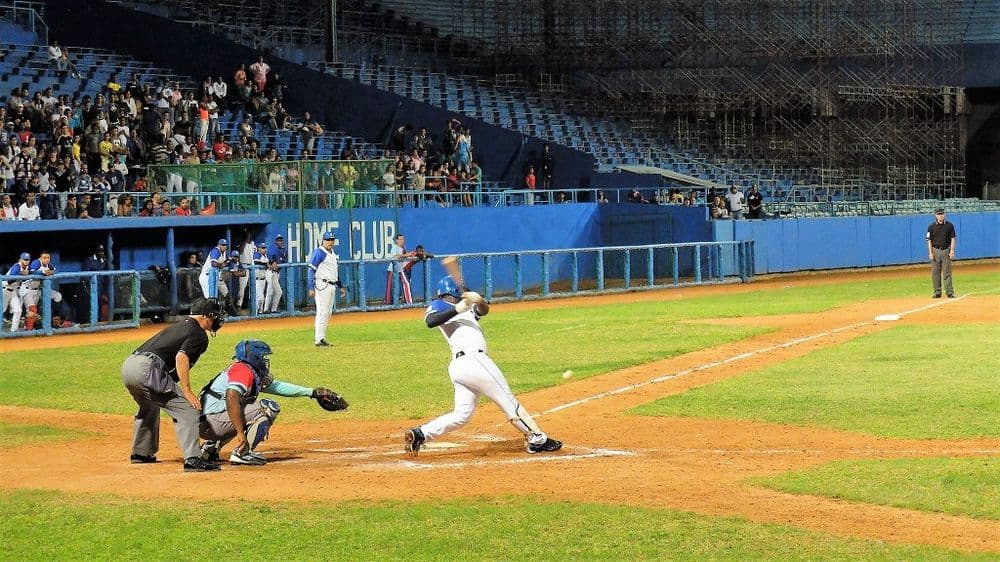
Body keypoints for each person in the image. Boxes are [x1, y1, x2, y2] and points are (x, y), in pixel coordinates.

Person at [404, 276, 563, 456]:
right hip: (474, 362)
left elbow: (483, 311)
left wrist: (479, 301)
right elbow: (430, 321)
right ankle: (537, 438)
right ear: (453, 293)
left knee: (462, 415)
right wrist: (458, 307)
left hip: (464, 367)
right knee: (507, 400)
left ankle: (420, 434)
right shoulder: (441, 305)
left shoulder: (467, 312)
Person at [198, 340, 348, 465]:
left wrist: (313, 393)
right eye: (262, 357)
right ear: (253, 356)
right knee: (266, 408)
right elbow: (231, 398)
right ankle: (243, 453)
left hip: (207, 422)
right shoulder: (243, 370)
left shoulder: (246, 370)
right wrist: (239, 432)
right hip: (212, 421)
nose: (264, 360)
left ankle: (210, 450)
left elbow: (277, 387)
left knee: (243, 407)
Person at [119, 297, 225, 472]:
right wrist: (187, 391)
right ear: (207, 316)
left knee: (150, 406)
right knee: (188, 410)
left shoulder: (181, 325)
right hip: (147, 369)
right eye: (216, 316)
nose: (218, 320)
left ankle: (141, 453)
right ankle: (193, 459)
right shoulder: (198, 333)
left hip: (129, 366)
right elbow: (181, 358)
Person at [307, 231, 347, 347]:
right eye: (328, 240)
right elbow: (311, 270)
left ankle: (322, 338)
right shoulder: (319, 252)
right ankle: (318, 339)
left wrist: (340, 286)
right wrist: (311, 287)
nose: (330, 242)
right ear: (323, 241)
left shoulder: (333, 254)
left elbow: (335, 272)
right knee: (322, 312)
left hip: (331, 285)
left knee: (327, 312)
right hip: (322, 285)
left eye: (332, 240)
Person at [927, 208, 957, 298]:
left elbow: (953, 238)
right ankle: (937, 292)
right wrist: (930, 253)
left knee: (947, 272)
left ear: (944, 215)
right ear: (935, 215)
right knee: (935, 273)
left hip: (946, 250)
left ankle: (949, 292)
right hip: (935, 250)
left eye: (942, 214)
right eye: (938, 214)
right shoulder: (931, 226)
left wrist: (952, 250)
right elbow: (929, 240)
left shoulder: (949, 226)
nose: (940, 215)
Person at [3, 253, 32, 332]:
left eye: (28, 260)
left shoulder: (26, 268)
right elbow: (9, 280)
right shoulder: (17, 266)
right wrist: (20, 274)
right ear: (20, 259)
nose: (26, 261)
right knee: (2, 310)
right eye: (25, 259)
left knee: (18, 311)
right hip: (4, 290)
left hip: (13, 292)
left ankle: (13, 331)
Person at [385, 233, 414, 304]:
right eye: (400, 239)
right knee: (390, 287)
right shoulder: (394, 247)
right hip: (392, 270)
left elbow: (405, 257)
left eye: (403, 239)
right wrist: (406, 255)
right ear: (396, 240)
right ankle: (389, 303)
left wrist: (412, 255)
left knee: (406, 284)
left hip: (401, 270)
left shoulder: (403, 248)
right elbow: (394, 256)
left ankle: (409, 302)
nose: (402, 240)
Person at [265, 234, 287, 312]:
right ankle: (268, 309)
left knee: (271, 291)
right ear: (276, 241)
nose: (280, 241)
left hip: (277, 273)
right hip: (271, 273)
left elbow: (284, 261)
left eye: (281, 240)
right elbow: (268, 255)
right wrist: (272, 261)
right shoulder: (273, 248)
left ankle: (268, 309)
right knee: (274, 292)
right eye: (278, 240)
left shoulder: (283, 250)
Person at [251, 240, 270, 314]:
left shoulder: (265, 256)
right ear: (259, 249)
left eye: (265, 247)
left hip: (263, 279)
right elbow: (256, 262)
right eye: (262, 248)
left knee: (261, 298)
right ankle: (254, 313)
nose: (264, 249)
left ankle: (260, 313)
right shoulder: (256, 254)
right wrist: (266, 264)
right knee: (260, 298)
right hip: (257, 280)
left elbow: (269, 262)